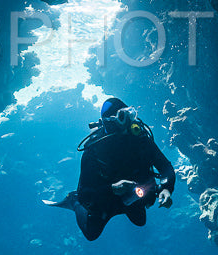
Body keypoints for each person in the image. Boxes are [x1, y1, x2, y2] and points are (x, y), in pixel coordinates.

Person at [48, 97, 176, 241]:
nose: (130, 122)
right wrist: (112, 188)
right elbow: (84, 193)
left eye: (131, 115)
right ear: (110, 121)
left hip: (133, 194)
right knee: (91, 234)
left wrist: (166, 188)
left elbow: (165, 167)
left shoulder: (141, 139)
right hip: (105, 197)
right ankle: (73, 202)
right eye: (123, 117)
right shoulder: (95, 147)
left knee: (140, 222)